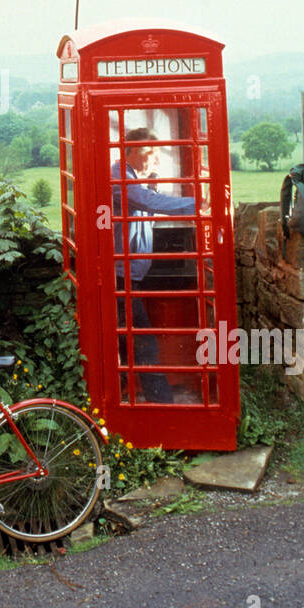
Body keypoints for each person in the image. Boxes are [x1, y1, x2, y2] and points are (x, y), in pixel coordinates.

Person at [111, 127, 196, 403]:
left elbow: (143, 207)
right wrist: (201, 203)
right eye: (149, 153)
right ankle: (163, 406)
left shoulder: (134, 179)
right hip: (118, 277)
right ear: (131, 151)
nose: (154, 159)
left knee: (132, 343)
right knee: (144, 344)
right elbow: (149, 202)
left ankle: (131, 402)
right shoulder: (119, 177)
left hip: (130, 274)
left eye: (157, 153)